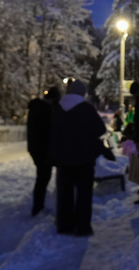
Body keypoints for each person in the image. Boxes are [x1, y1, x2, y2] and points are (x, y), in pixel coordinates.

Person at [49, 80, 114, 236]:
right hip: (84, 159)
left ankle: (64, 225)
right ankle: (82, 227)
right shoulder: (86, 109)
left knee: (64, 193)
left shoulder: (57, 108)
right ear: (82, 93)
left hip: (63, 160)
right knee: (84, 194)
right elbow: (99, 129)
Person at [27, 86, 61, 216]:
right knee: (43, 178)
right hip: (42, 150)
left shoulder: (36, 108)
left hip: (36, 149)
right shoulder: (44, 111)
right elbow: (48, 132)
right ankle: (37, 208)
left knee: (42, 178)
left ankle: (38, 206)